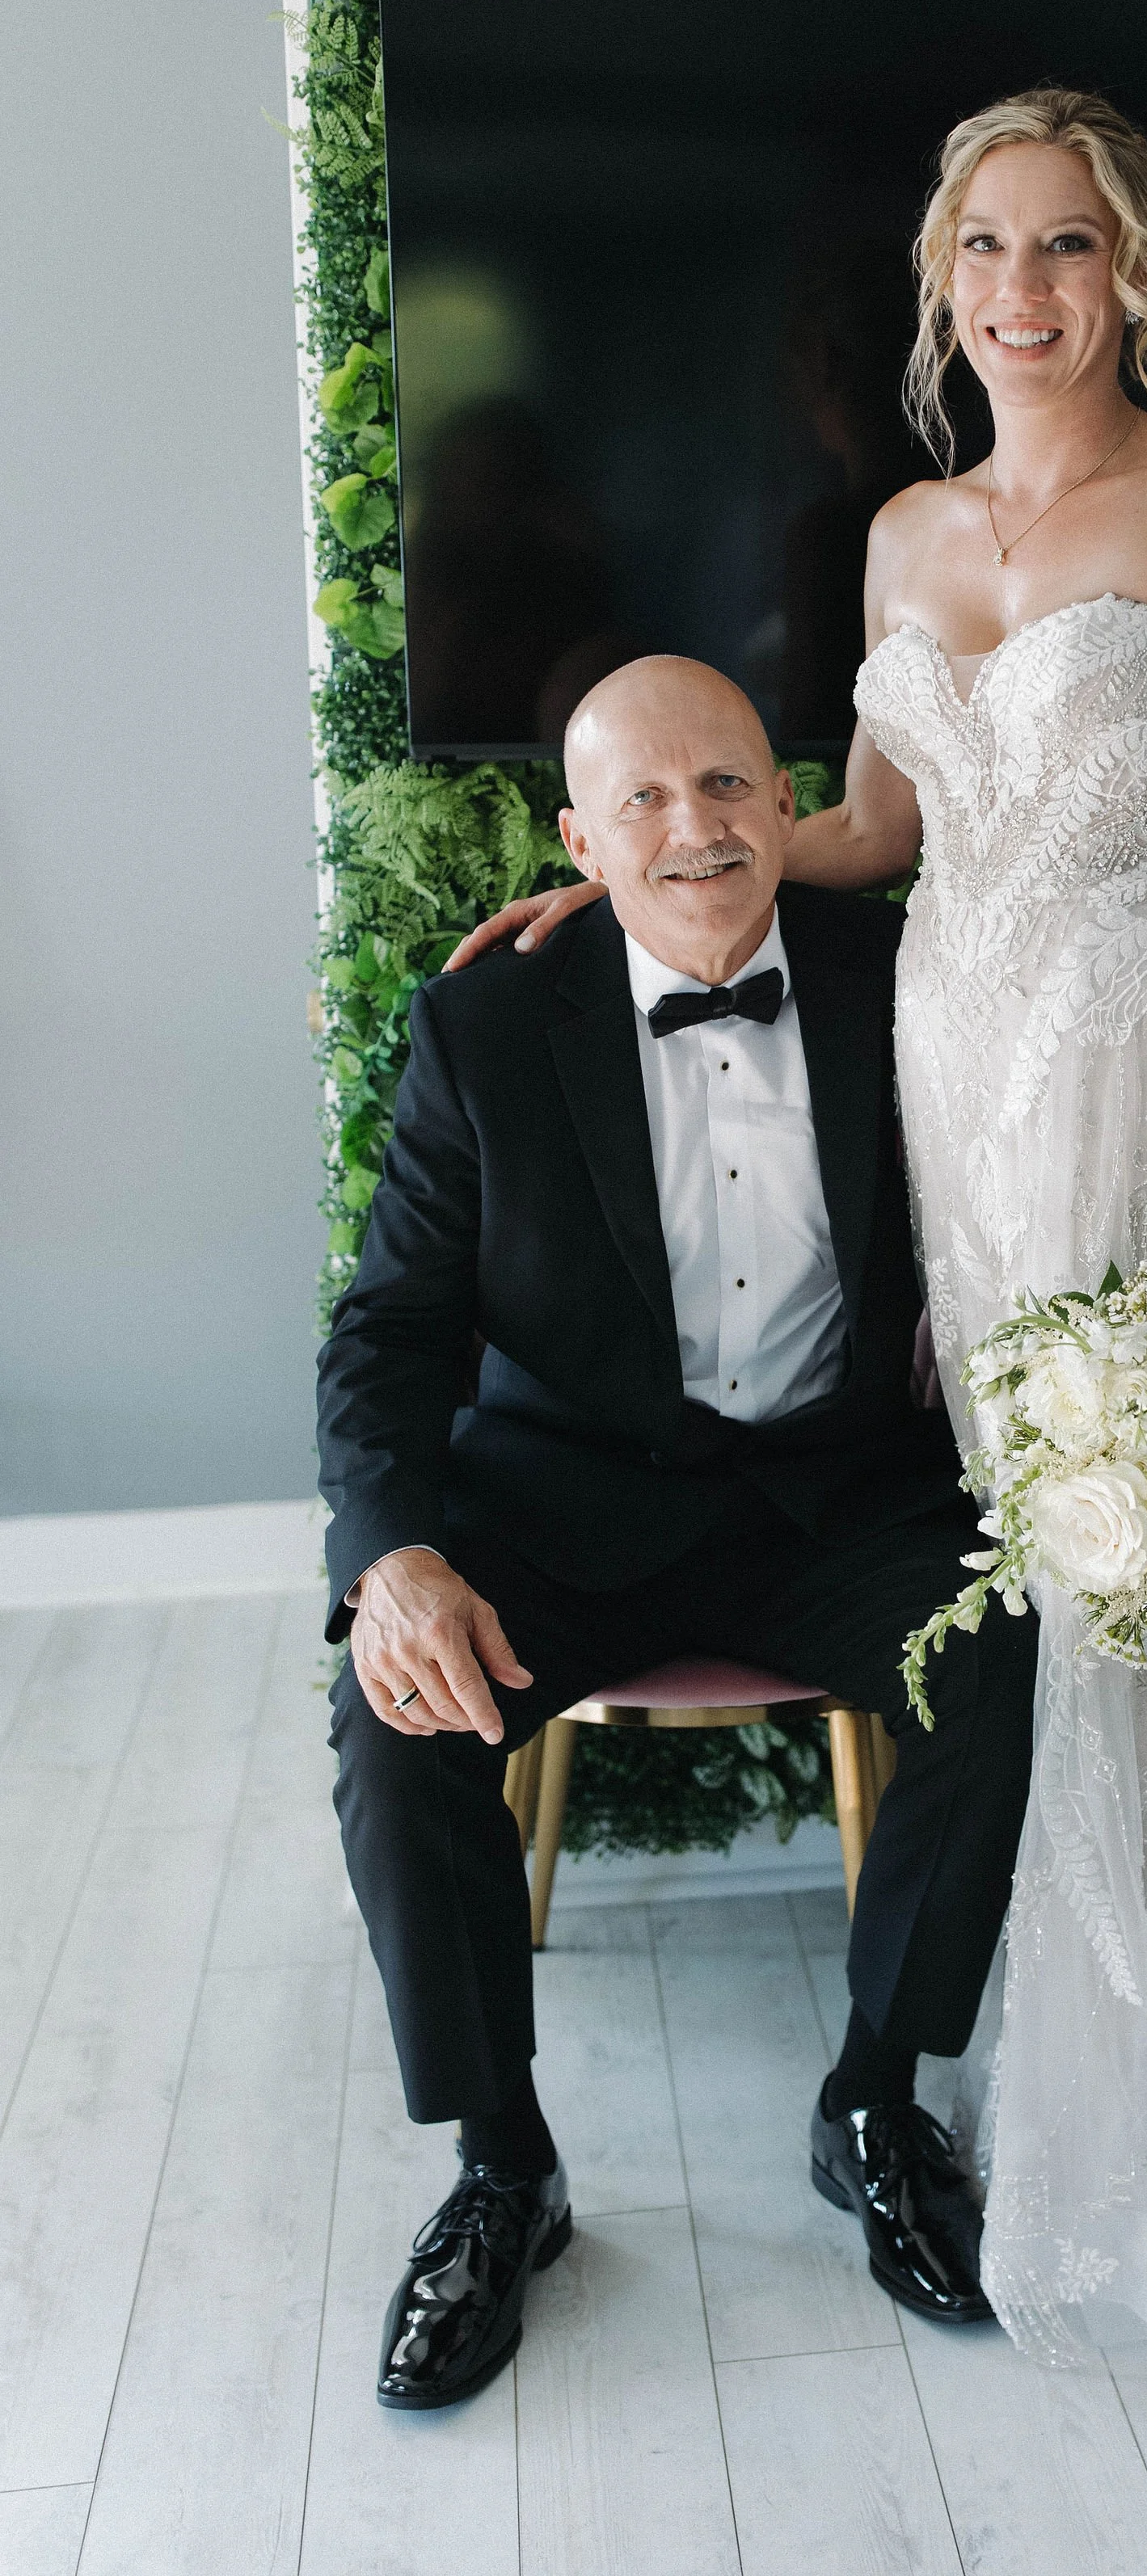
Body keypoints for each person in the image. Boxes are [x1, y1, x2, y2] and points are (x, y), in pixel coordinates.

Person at [457, 89, 1147, 2366]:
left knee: (1146, 1572)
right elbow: (871, 827)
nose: (1024, 291)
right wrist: (648, 876)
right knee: (1018, 1580)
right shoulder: (900, 537)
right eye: (986, 250)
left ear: (1133, 272)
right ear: (943, 283)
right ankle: (1051, 2091)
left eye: (1067, 247)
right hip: (957, 1094)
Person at [319, 654, 1037, 2411]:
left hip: (839, 1498)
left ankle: (877, 2103)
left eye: (723, 785)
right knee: (391, 1719)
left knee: (1010, 1657)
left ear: (785, 802)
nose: (691, 828)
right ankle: (503, 2171)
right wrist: (390, 1555)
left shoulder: (911, 980)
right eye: (639, 800)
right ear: (577, 836)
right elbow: (393, 1331)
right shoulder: (487, 1025)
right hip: (563, 1504)